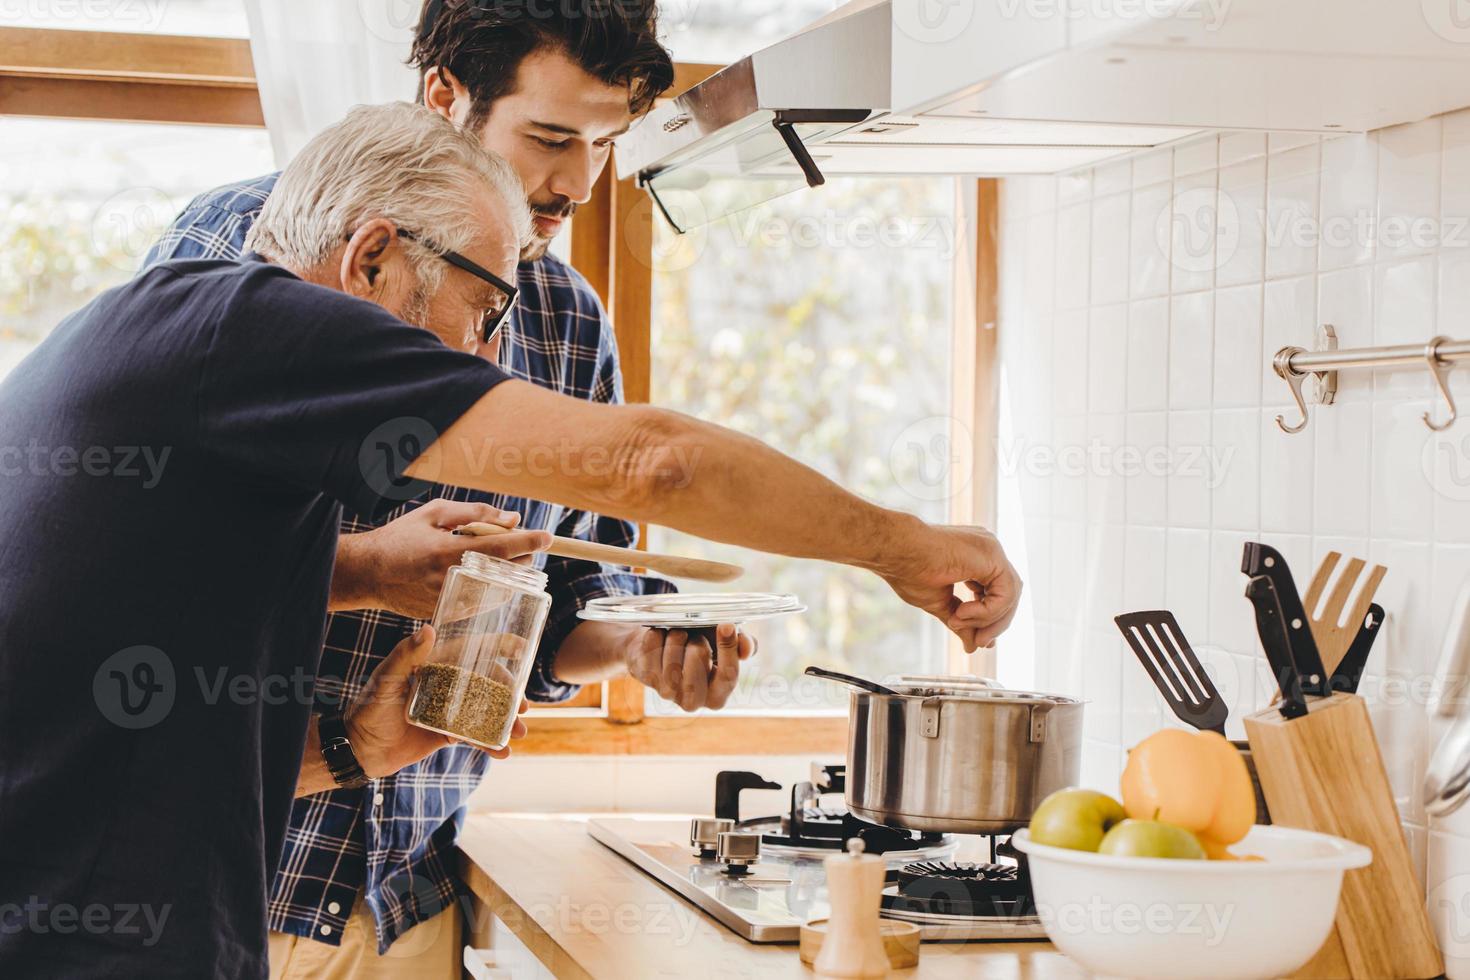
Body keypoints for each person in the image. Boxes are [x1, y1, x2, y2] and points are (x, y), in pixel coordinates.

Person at [0, 102, 1020, 980]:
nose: (490, 352)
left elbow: (145, 726)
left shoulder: (185, 361)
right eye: (484, 307)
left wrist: (361, 627)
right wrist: (905, 544)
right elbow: (650, 462)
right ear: (371, 255)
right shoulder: (253, 323)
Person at [143, 3, 754, 974]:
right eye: (551, 137)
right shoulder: (250, 246)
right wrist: (375, 568)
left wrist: (636, 642)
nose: (577, 184)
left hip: (406, 891)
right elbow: (155, 559)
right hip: (221, 883)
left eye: (605, 145)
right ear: (444, 97)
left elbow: (562, 598)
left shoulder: (568, 320)